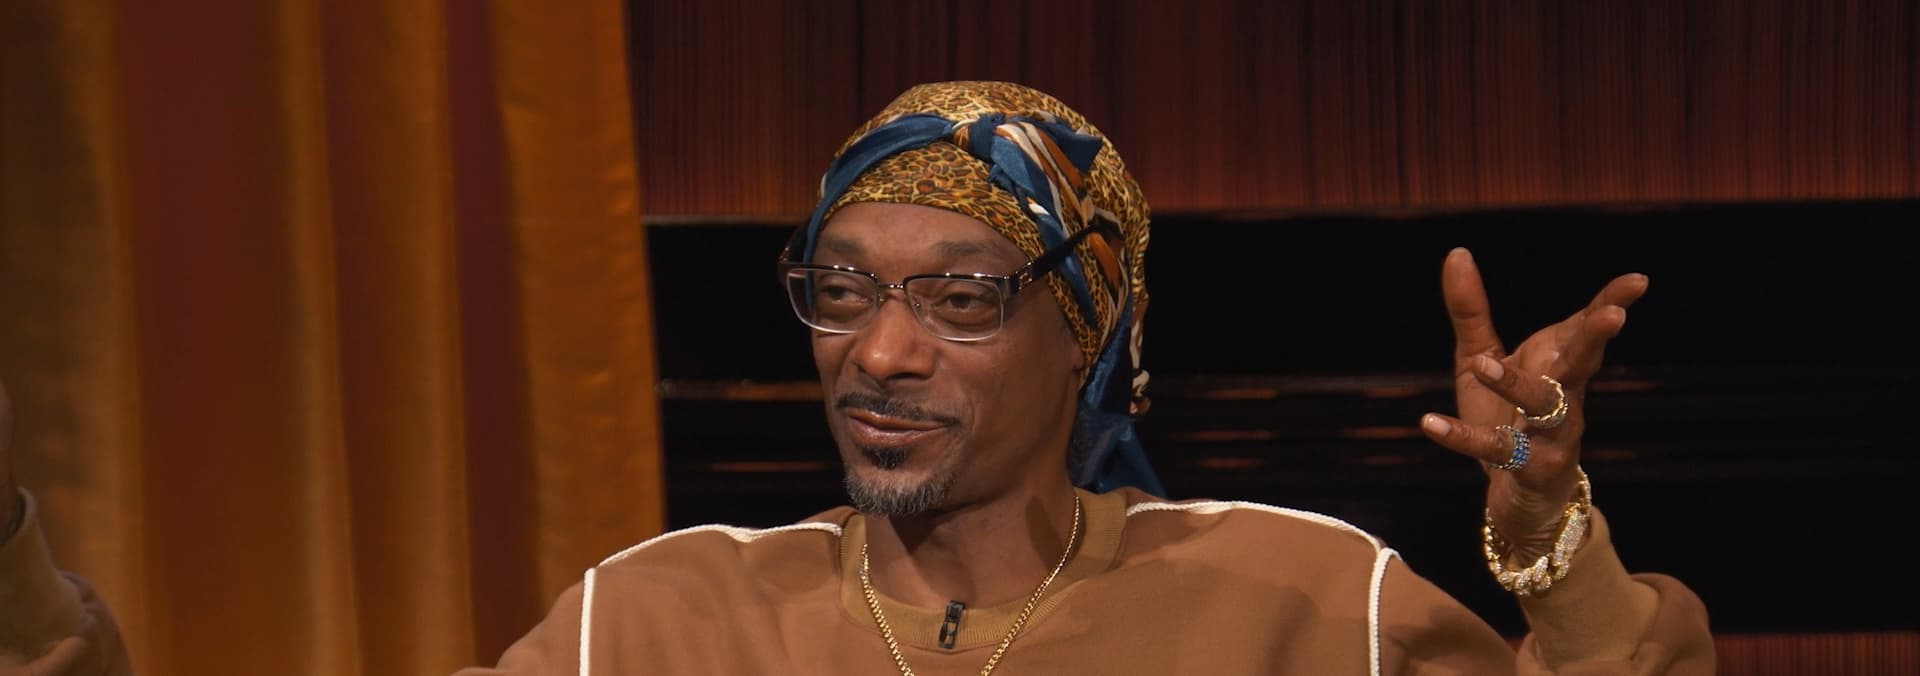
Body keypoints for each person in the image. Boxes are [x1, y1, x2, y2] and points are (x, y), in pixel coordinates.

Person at [2, 80, 1712, 674]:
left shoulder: (1300, 604)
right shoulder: (655, 626)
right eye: (840, 293)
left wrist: (1544, 519)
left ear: (1085, 329)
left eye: (960, 300)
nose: (879, 354)